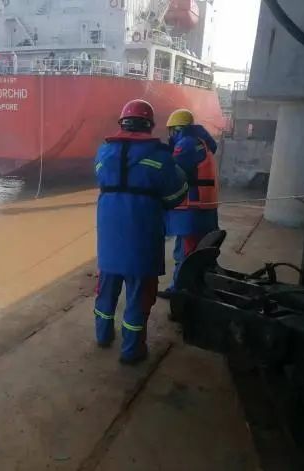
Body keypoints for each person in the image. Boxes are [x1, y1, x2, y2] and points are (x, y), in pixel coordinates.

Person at [94, 100, 189, 364]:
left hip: (109, 233)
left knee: (106, 288)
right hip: (142, 232)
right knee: (139, 294)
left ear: (122, 123)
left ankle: (102, 335)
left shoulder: (103, 152)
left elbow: (101, 178)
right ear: (149, 126)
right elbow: (177, 195)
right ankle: (131, 350)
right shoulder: (160, 157)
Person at [158, 109, 219, 298]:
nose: (170, 135)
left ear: (178, 129)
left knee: (186, 254)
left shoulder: (186, 144)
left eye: (171, 131)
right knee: (198, 251)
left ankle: (180, 291)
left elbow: (170, 170)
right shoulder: (201, 142)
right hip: (204, 208)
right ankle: (197, 287)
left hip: (192, 209)